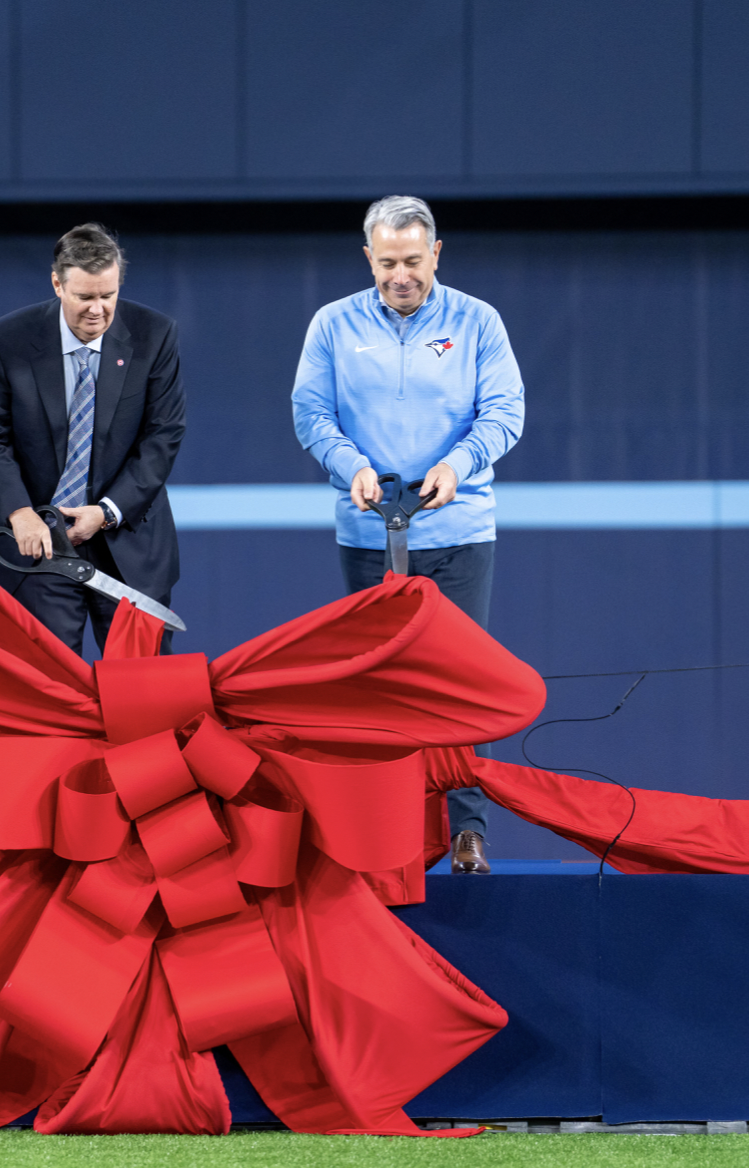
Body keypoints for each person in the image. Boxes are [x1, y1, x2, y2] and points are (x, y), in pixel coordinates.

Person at [291, 196, 526, 874]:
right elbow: (311, 414)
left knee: (457, 684)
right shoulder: (332, 324)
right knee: (377, 688)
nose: (401, 276)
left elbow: (505, 413)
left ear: (437, 254)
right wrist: (351, 466)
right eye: (388, 263)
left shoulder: (478, 321)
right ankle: (386, 835)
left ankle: (467, 833)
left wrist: (459, 464)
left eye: (414, 262)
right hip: (369, 533)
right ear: (368, 257)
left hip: (458, 531)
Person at [0, 224, 186, 655]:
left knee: (143, 696)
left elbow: (163, 435)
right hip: (36, 544)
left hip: (127, 544)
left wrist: (105, 513)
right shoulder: (9, 339)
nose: (98, 310)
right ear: (57, 284)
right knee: (48, 692)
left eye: (108, 295)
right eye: (85, 297)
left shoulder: (154, 335)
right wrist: (19, 513)